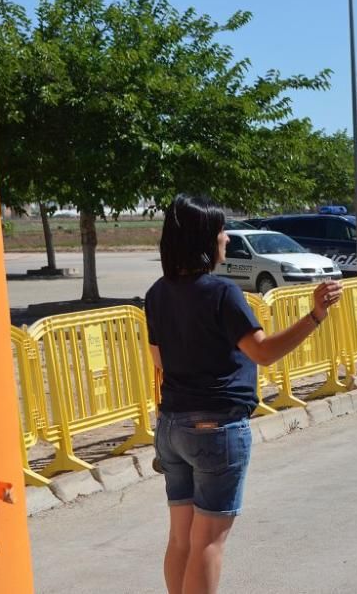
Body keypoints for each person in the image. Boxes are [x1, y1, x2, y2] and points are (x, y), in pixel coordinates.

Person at [145, 194, 342, 594]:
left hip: (172, 426)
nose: (228, 240)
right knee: (209, 541)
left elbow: (159, 360)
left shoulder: (157, 293)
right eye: (221, 231)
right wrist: (315, 315)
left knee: (181, 538)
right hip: (215, 427)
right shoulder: (221, 293)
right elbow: (263, 352)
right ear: (204, 239)